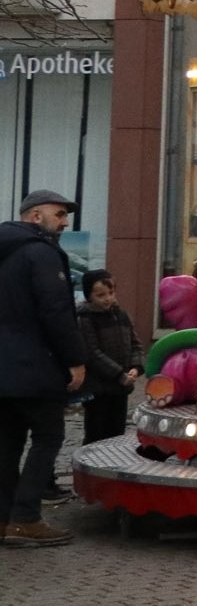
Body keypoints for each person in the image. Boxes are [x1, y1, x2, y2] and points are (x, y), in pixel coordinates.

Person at [0, 190, 88, 547]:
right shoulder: (41, 253)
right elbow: (56, 313)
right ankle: (26, 518)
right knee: (48, 437)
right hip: (36, 367)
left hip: (4, 370)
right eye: (59, 215)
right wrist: (75, 361)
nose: (65, 222)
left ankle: (3, 519)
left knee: (5, 444)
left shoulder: (5, 249)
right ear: (35, 216)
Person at [75, 270, 143, 446]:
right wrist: (119, 374)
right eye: (100, 295)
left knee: (116, 432)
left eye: (111, 293)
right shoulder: (86, 318)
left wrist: (135, 367)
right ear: (89, 296)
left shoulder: (121, 315)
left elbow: (135, 343)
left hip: (121, 386)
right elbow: (92, 353)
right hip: (98, 387)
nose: (107, 298)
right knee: (96, 432)